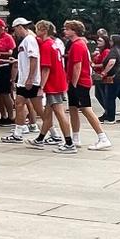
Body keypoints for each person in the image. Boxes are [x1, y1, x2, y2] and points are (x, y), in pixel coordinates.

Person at [63, 20, 108, 149]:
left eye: (67, 29)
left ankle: (102, 137)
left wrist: (74, 84)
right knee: (73, 109)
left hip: (79, 82)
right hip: (77, 81)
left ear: (74, 31)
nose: (65, 31)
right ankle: (75, 138)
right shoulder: (77, 44)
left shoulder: (77, 45)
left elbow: (77, 66)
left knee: (86, 109)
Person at [29, 20, 74, 151]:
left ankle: (69, 142)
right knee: (48, 113)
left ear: (43, 30)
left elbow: (46, 69)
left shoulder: (46, 46)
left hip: (53, 84)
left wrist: (41, 87)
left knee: (59, 113)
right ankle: (40, 139)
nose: (36, 32)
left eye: (38, 29)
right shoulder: (53, 44)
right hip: (59, 81)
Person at [5, 18, 41, 141]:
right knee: (19, 104)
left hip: (29, 80)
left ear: (20, 27)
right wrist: (16, 61)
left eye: (15, 30)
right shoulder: (26, 41)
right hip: (24, 80)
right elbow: (27, 58)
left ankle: (54, 133)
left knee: (38, 109)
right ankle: (18, 132)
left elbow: (33, 58)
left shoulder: (29, 40)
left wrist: (30, 78)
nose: (15, 33)